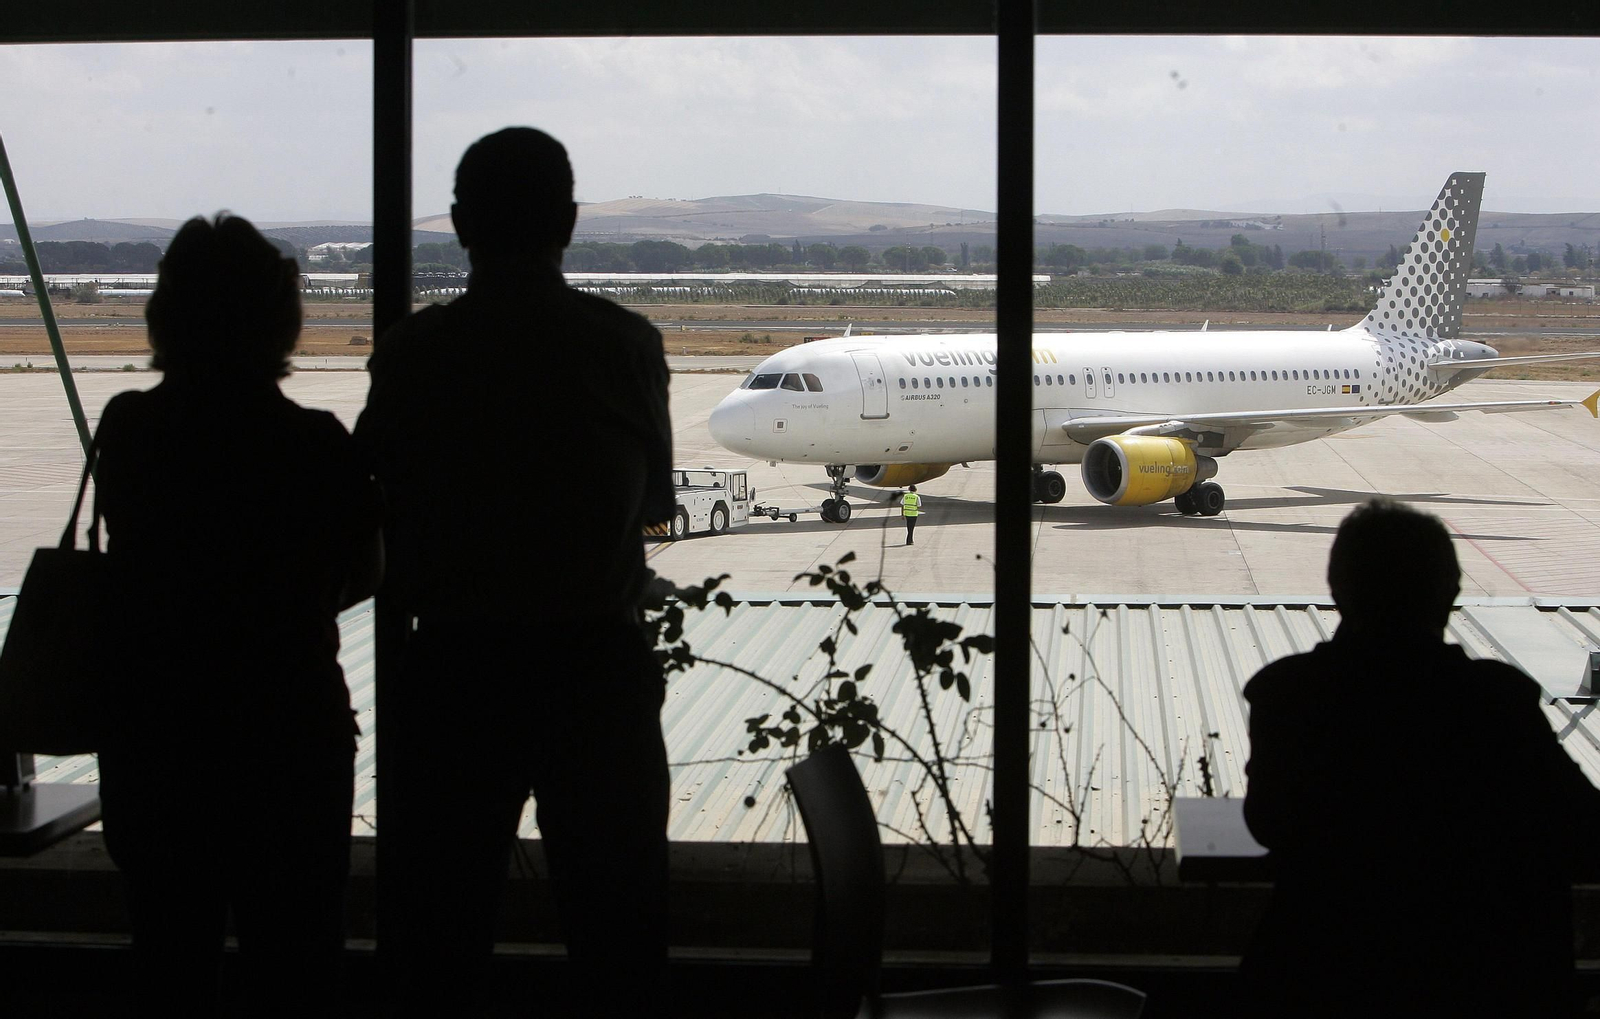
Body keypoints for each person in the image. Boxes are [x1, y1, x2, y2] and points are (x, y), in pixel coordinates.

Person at [355, 127, 674, 1015]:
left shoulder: (413, 355)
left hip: (456, 668)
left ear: (459, 225)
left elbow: (366, 502)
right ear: (569, 223)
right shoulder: (625, 345)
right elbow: (656, 500)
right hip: (592, 669)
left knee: (435, 936)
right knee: (620, 936)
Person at [94, 214, 382, 1017]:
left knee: (168, 956)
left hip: (160, 731)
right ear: (281, 320)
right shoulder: (318, 443)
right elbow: (363, 572)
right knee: (295, 964)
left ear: (164, 315)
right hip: (287, 730)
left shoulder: (129, 427)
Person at [1240, 498, 1600, 1018]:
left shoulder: (1289, 693)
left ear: (1338, 591)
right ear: (1449, 593)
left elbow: (1269, 823)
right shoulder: (1497, 704)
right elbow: (1582, 830)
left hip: (1323, 976)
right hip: (1487, 982)